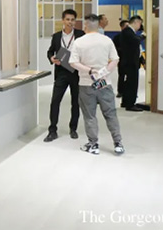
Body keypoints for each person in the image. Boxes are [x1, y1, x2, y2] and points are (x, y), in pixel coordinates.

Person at [69, 14, 124, 156]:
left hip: (86, 84)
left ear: (85, 25)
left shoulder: (79, 42)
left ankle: (93, 144)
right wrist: (103, 72)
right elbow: (115, 59)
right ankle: (118, 143)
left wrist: (89, 70)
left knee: (89, 115)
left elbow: (73, 62)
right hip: (104, 83)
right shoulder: (107, 40)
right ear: (98, 25)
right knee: (111, 114)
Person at [44, 9, 85, 142]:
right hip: (61, 72)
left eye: (72, 20)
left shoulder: (80, 35)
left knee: (75, 102)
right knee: (55, 101)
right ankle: (52, 130)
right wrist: (52, 58)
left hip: (76, 72)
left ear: (75, 21)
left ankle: (73, 128)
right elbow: (50, 51)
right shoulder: (56, 36)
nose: (70, 22)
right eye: (67, 19)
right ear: (63, 20)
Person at [119, 15, 144, 112]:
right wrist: (143, 36)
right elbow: (136, 41)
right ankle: (130, 104)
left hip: (130, 61)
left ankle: (126, 102)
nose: (140, 26)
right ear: (136, 22)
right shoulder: (128, 31)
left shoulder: (129, 32)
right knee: (132, 83)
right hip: (130, 62)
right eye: (140, 23)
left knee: (128, 83)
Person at [111, 20, 129, 98]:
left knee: (130, 76)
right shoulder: (117, 37)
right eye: (126, 26)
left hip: (130, 59)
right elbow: (114, 49)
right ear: (121, 27)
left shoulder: (131, 36)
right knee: (121, 76)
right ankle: (120, 91)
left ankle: (128, 91)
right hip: (121, 59)